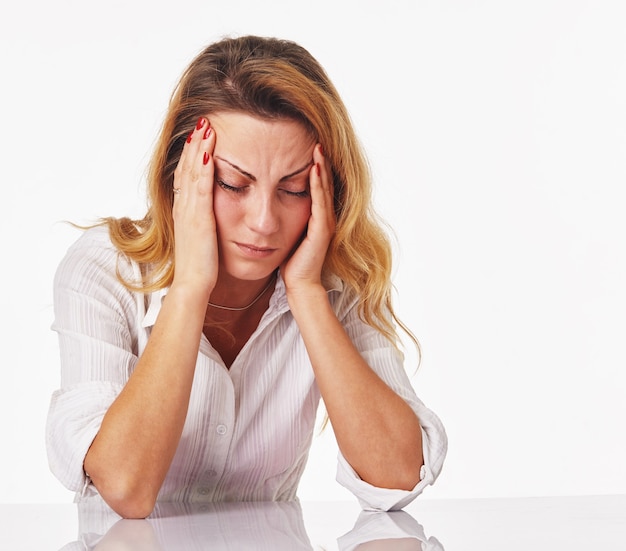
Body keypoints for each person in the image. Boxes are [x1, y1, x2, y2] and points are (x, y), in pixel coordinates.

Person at [46, 35, 447, 519]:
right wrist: (191, 284)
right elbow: (125, 487)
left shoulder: (336, 284)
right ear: (182, 174)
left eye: (294, 188)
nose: (263, 221)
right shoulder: (103, 271)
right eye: (234, 184)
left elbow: (398, 475)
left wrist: (306, 293)